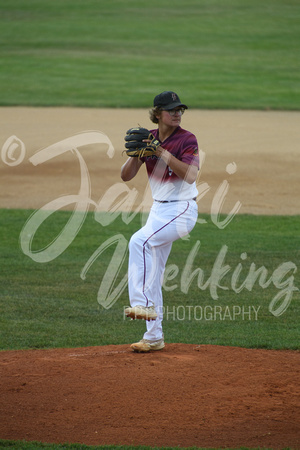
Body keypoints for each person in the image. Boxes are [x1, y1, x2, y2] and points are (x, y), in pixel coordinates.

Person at [121, 91, 199, 352]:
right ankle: (154, 336)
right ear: (158, 114)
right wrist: (137, 153)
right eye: (172, 110)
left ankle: (141, 303)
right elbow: (126, 176)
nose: (177, 113)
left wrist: (160, 151)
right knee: (152, 272)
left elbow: (189, 175)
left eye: (180, 110)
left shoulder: (188, 139)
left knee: (139, 241)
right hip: (159, 211)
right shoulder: (149, 139)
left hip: (182, 210)